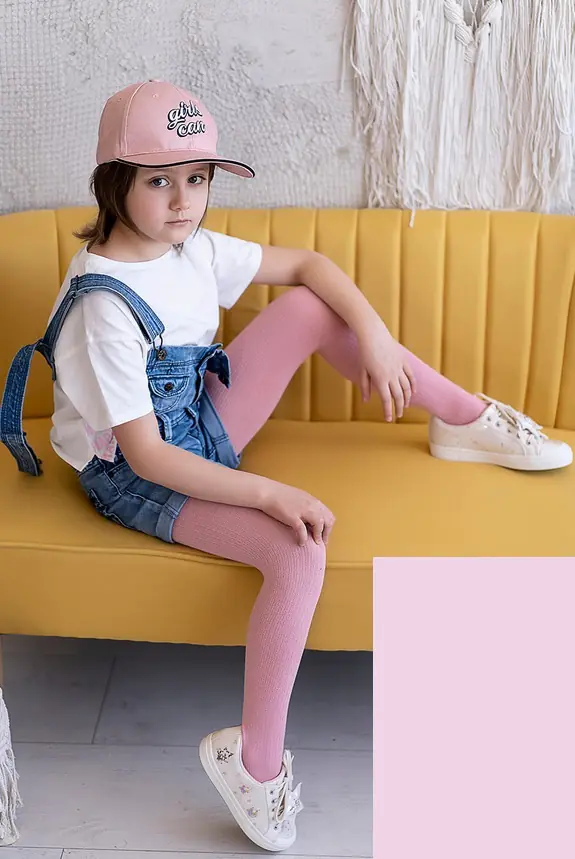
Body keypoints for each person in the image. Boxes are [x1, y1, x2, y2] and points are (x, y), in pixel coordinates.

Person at [0, 80, 572, 852]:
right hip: (138, 473)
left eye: (197, 177)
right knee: (299, 548)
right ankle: (253, 762)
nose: (183, 200)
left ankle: (462, 418)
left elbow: (307, 264)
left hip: (196, 421)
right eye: (159, 180)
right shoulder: (103, 305)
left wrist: (373, 336)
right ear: (114, 183)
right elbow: (148, 454)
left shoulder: (188, 248)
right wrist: (269, 493)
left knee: (307, 306)